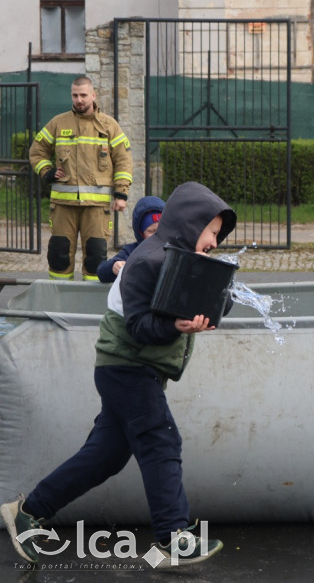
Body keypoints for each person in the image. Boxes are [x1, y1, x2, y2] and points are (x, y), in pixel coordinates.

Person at [1, 181, 235, 568]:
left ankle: (27, 513)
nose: (214, 241)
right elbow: (141, 327)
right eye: (212, 232)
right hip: (125, 369)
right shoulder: (147, 262)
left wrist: (216, 297)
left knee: (105, 457)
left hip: (134, 370)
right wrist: (177, 327)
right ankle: (173, 538)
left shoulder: (180, 259)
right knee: (161, 440)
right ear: (192, 224)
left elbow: (212, 303)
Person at [29, 76, 133, 281]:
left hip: (97, 207)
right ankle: (58, 302)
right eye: (75, 95)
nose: (79, 100)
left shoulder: (109, 126)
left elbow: (124, 160)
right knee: (59, 255)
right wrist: (47, 171)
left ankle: (89, 303)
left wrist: (121, 193)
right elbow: (36, 150)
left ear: (93, 96)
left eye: (84, 95)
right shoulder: (59, 123)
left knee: (95, 257)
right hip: (62, 205)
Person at [96, 196, 166, 283]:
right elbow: (102, 271)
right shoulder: (132, 251)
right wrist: (113, 267)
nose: (156, 234)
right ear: (141, 233)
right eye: (151, 231)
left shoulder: (173, 249)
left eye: (161, 230)